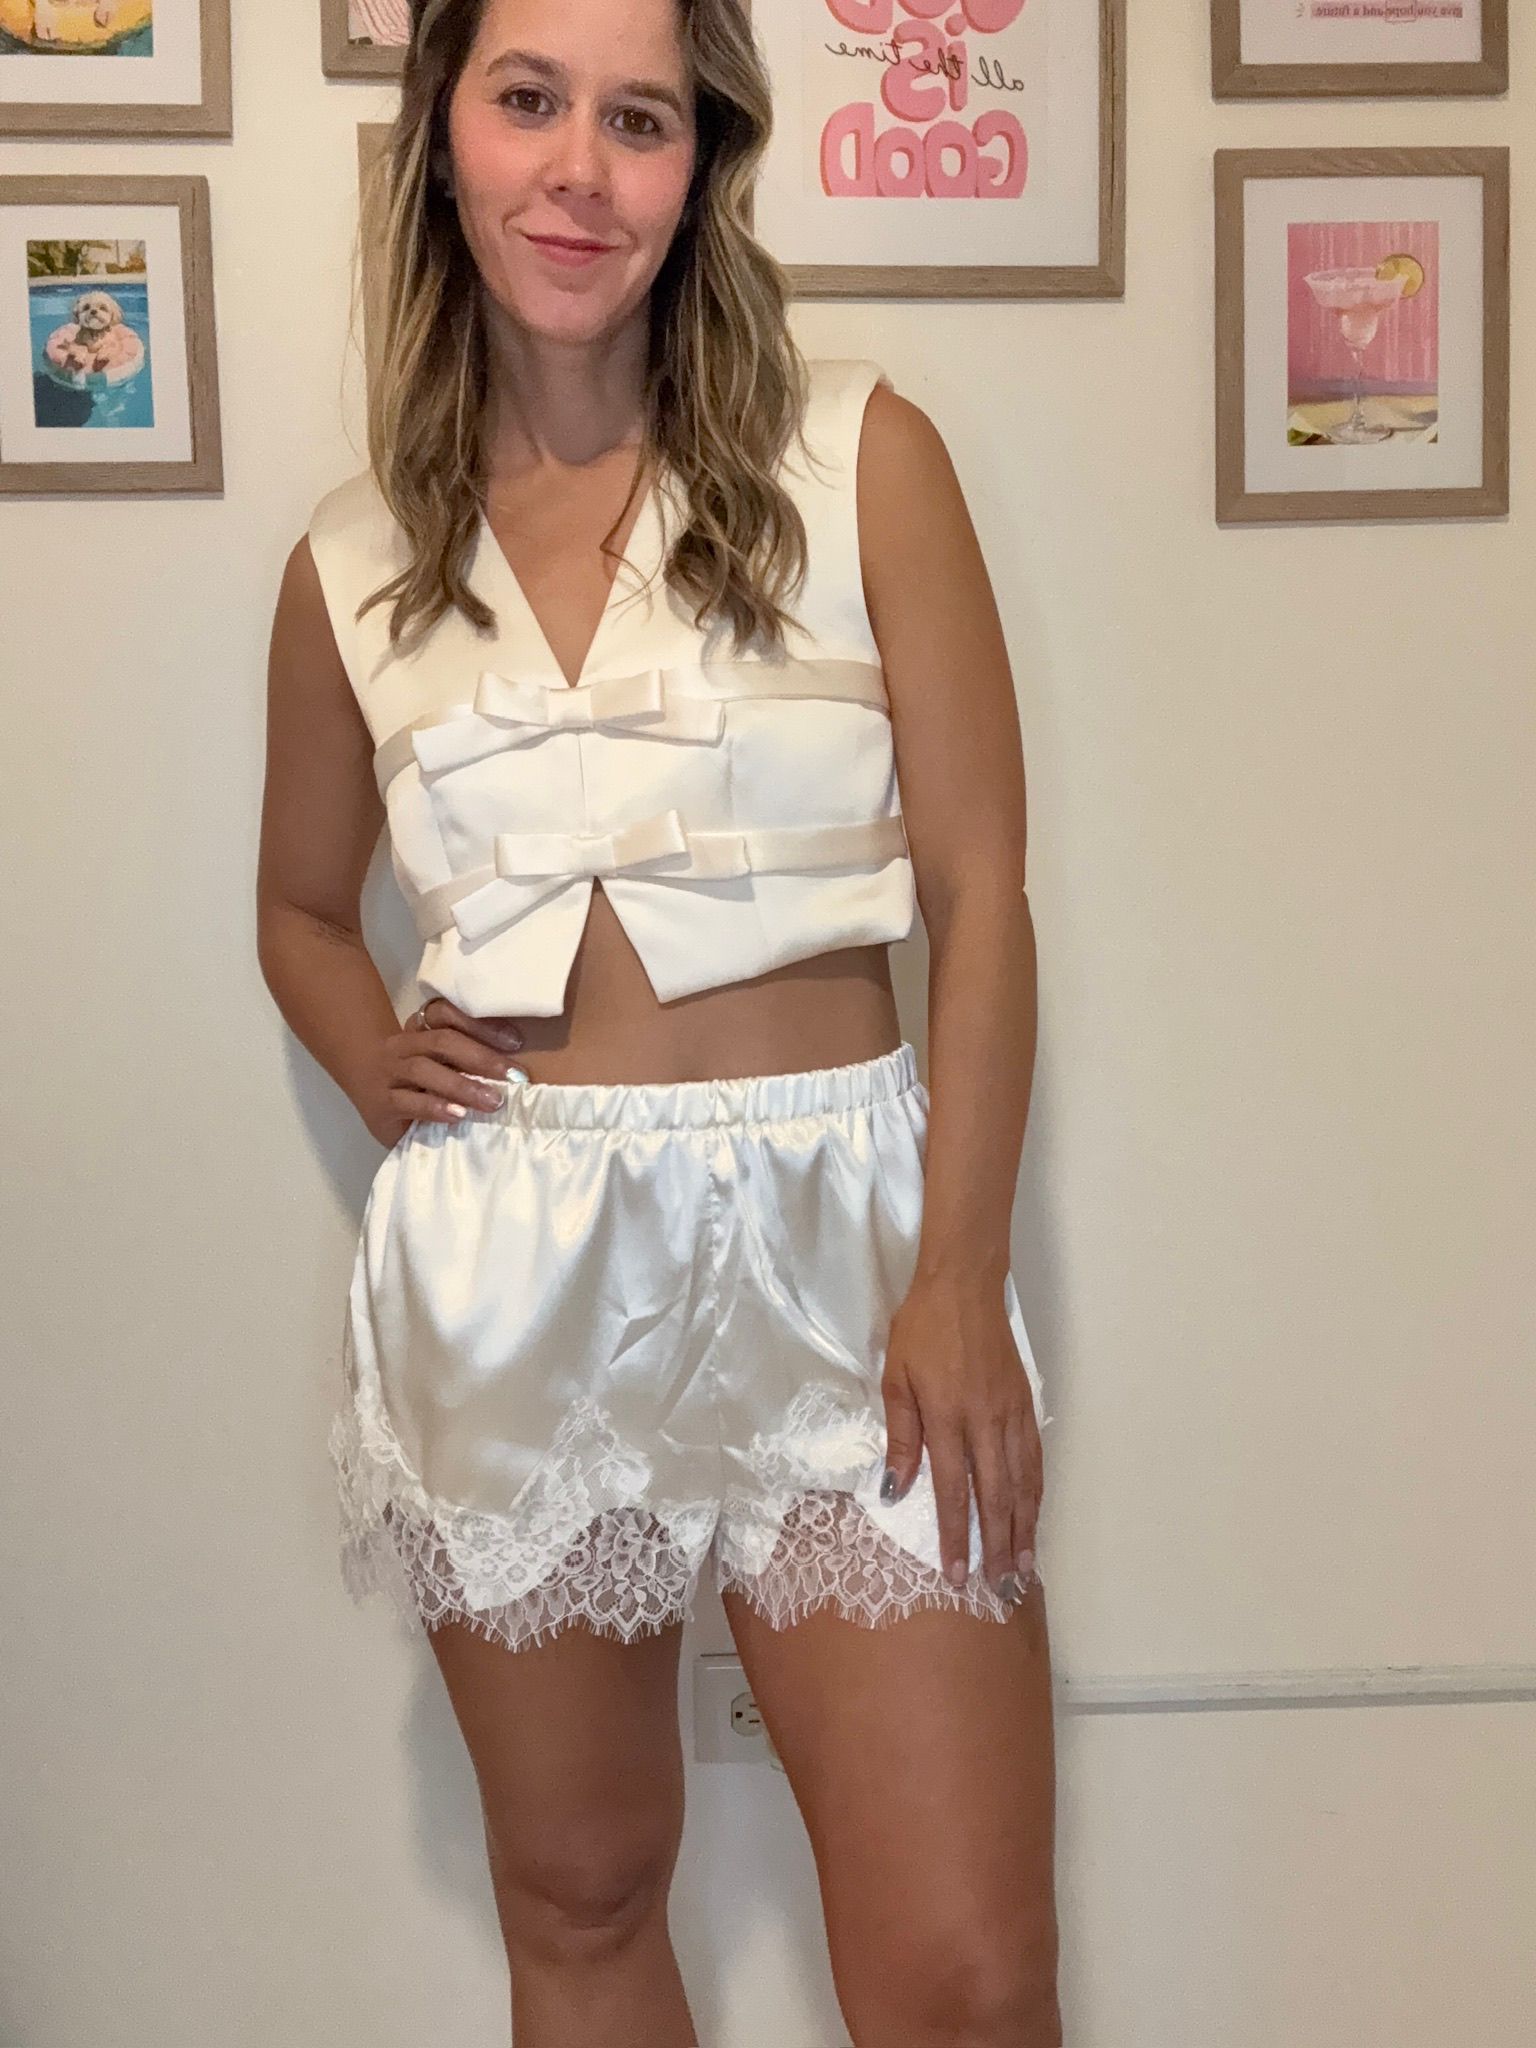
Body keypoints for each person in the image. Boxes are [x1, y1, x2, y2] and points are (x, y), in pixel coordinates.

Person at [257, 1, 1061, 2042]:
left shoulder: (859, 451)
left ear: (698, 162)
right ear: (445, 136)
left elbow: (980, 895)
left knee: (962, 1973)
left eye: (640, 119)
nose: (578, 168)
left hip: (847, 1250)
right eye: (529, 102)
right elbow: (295, 906)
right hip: (516, 1264)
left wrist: (958, 1269)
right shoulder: (353, 566)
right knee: (585, 1889)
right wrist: (370, 1050)